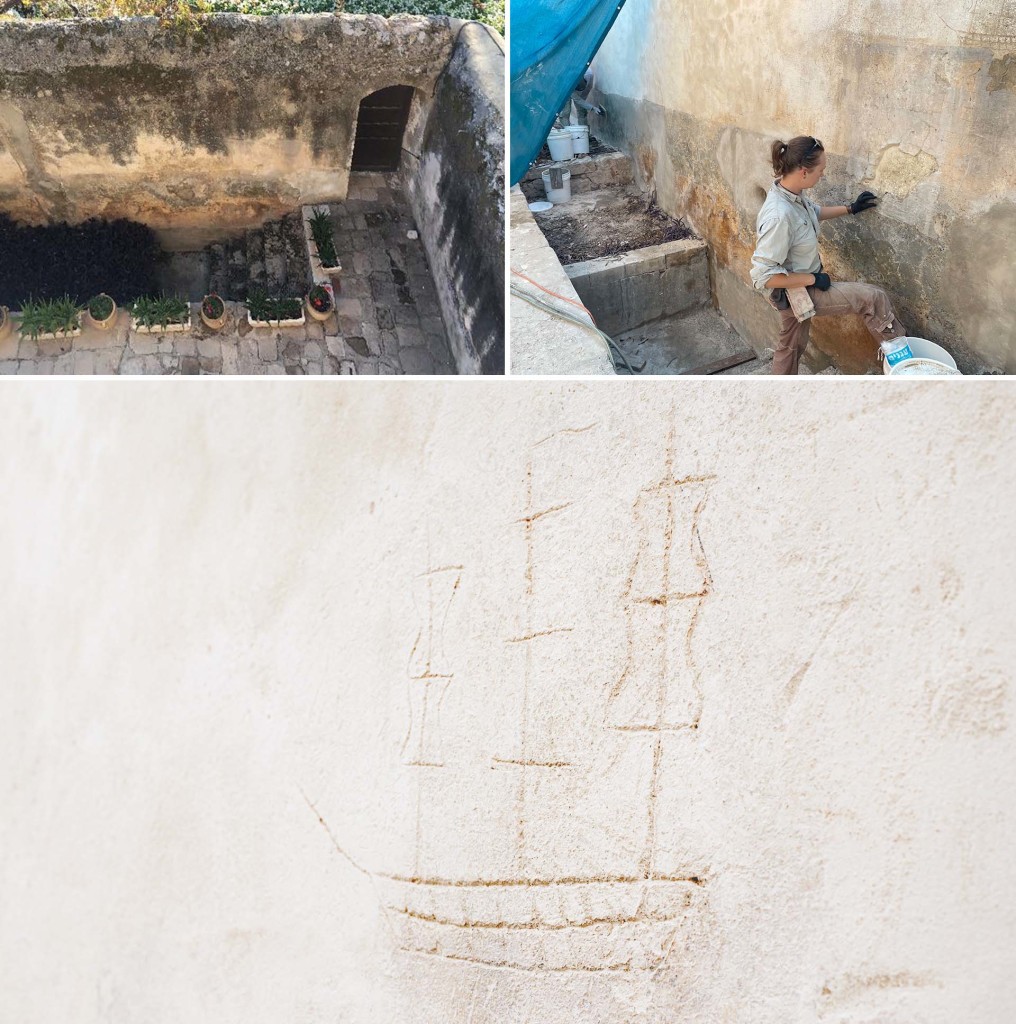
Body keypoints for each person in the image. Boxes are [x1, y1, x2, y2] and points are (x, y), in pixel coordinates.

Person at [750, 136, 907, 375]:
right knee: (874, 298)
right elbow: (764, 276)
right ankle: (907, 368)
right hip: (796, 291)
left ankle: (778, 390)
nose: (822, 174)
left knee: (791, 347)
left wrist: (851, 209)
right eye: (821, 170)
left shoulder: (792, 193)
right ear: (803, 171)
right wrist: (813, 280)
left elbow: (813, 213)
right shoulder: (779, 215)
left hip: (800, 288)